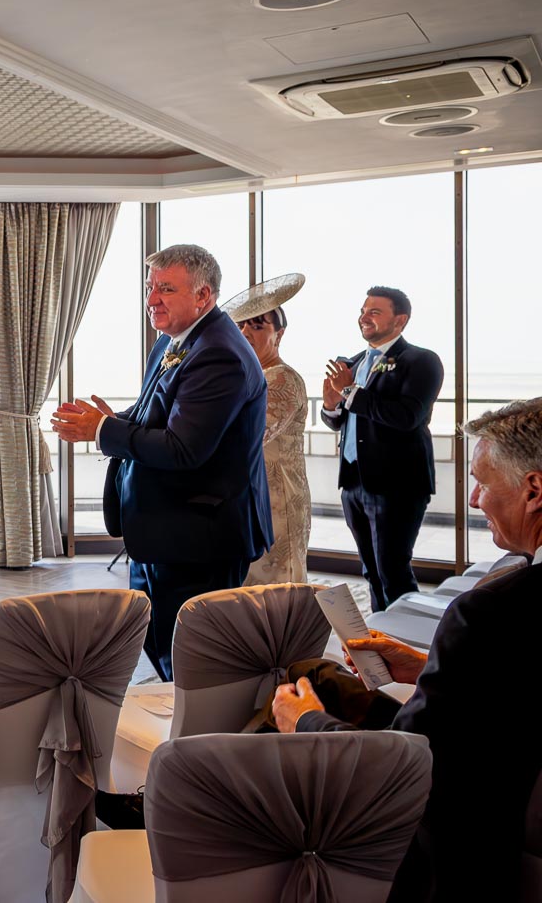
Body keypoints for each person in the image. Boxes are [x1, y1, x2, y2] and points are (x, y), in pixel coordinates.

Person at [273, 396, 542, 902]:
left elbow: (402, 767)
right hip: (507, 770)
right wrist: (424, 666)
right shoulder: (501, 617)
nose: (473, 499)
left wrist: (304, 723)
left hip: (463, 844)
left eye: (483, 481)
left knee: (301, 695)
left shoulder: (488, 614)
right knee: (322, 673)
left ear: (534, 490)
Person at [52, 244, 272, 681]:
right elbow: (153, 411)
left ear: (203, 296)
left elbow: (183, 448)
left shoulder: (219, 354)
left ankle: (198, 741)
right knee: (160, 643)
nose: (151, 299)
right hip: (163, 531)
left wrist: (101, 432)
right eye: (150, 287)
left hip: (198, 539)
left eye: (165, 289)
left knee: (194, 661)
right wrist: (111, 421)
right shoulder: (172, 341)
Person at [321, 286, 444, 613]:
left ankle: (408, 645)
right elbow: (339, 421)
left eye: (374, 311)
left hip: (397, 484)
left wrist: (348, 390)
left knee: (394, 572)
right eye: (363, 311)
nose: (364, 317)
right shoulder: (355, 362)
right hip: (354, 483)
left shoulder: (421, 361)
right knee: (371, 571)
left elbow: (407, 417)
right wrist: (332, 405)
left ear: (400, 319)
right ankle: (381, 637)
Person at [223, 275, 313, 585]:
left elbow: (249, 435)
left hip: (276, 499)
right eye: (240, 326)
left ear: (280, 334)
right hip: (247, 496)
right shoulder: (244, 377)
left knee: (273, 588)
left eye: (258, 326)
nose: (246, 332)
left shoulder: (281, 379)